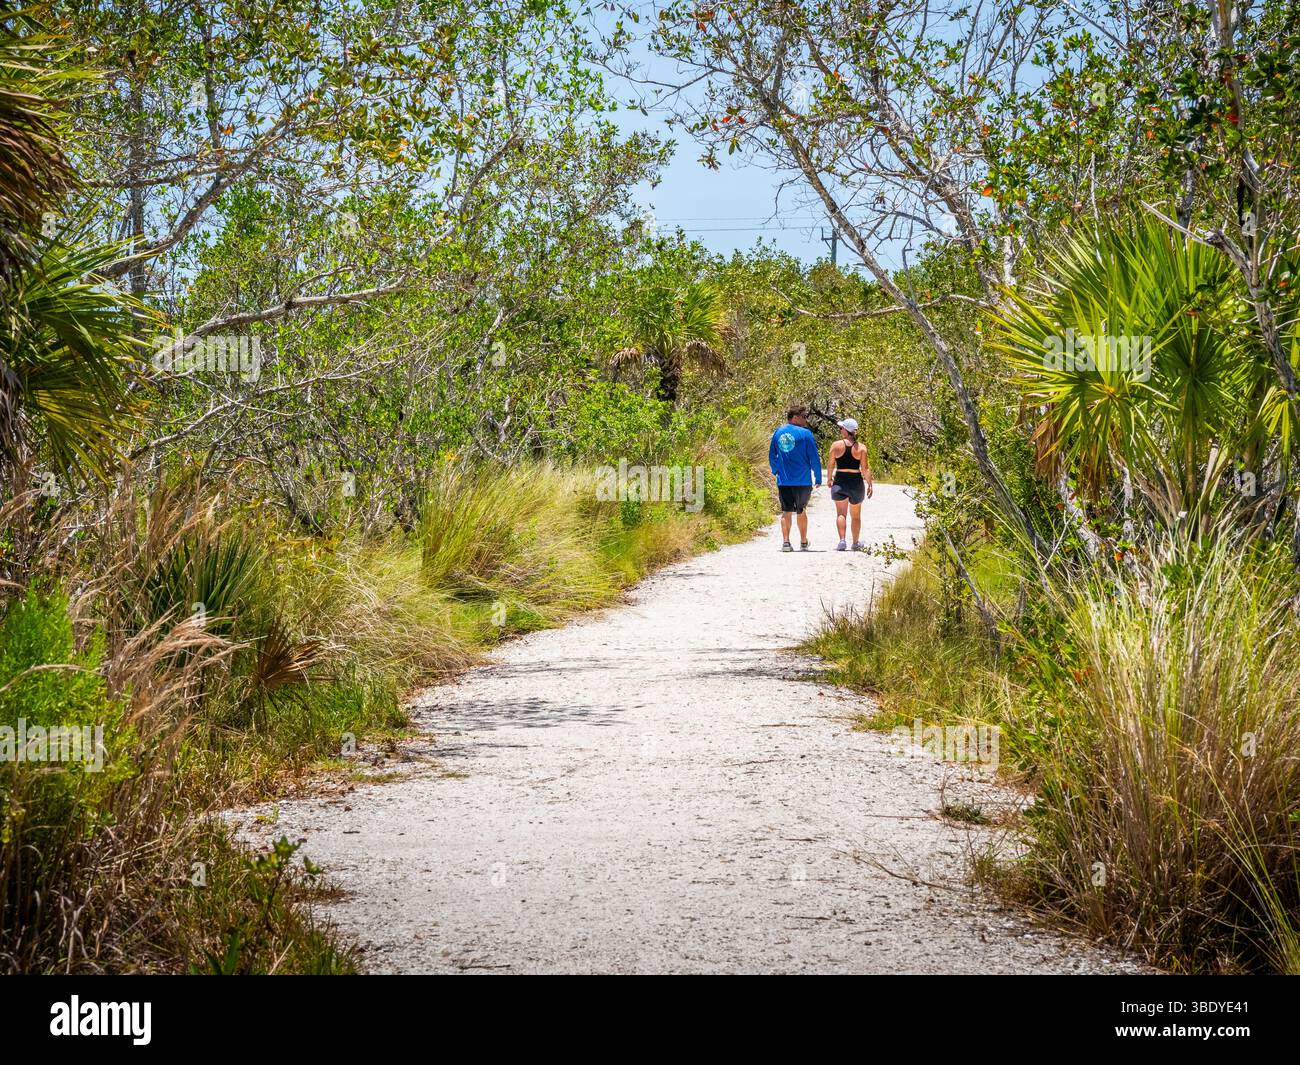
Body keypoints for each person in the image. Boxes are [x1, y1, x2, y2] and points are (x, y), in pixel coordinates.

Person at [768, 405, 821, 552]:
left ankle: (786, 543)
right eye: (804, 417)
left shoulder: (778, 432)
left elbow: (772, 455)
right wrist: (817, 476)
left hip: (784, 480)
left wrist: (776, 471)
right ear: (795, 417)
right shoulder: (806, 434)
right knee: (801, 510)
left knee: (786, 511)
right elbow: (814, 458)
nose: (806, 420)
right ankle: (803, 542)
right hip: (803, 480)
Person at [826, 417, 873, 551]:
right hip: (855, 481)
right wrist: (869, 484)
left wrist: (829, 479)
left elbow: (830, 465)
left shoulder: (836, 445)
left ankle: (842, 540)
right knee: (856, 515)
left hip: (840, 479)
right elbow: (865, 469)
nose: (840, 430)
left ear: (846, 430)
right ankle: (855, 542)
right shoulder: (862, 448)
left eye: (841, 428)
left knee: (841, 513)